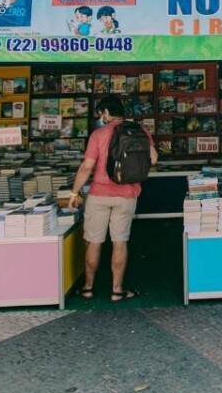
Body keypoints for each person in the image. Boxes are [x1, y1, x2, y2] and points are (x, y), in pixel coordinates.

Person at [67, 96, 157, 302]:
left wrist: (74, 194)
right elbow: (153, 159)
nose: (100, 117)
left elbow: (87, 167)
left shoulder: (98, 134)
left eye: (101, 114)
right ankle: (117, 290)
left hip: (99, 195)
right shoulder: (140, 131)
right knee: (120, 242)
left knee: (94, 242)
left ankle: (88, 288)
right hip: (127, 194)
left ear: (106, 113)